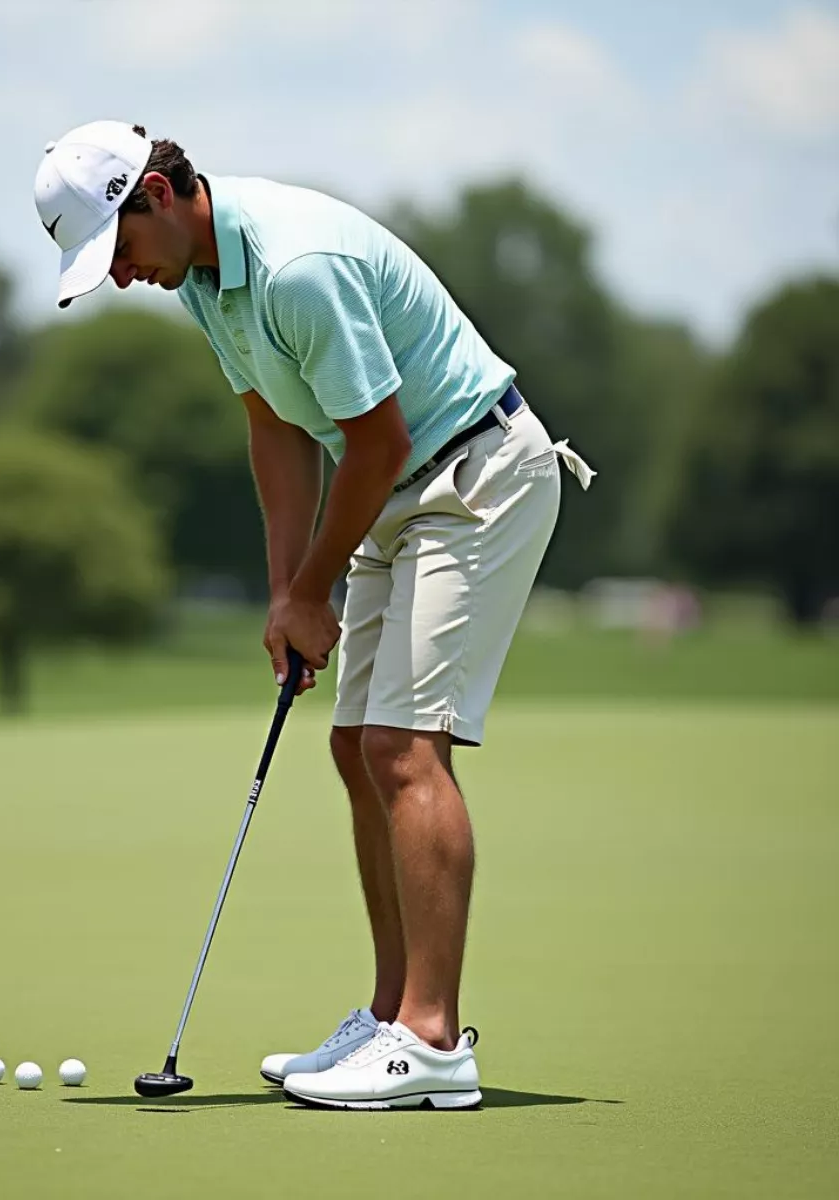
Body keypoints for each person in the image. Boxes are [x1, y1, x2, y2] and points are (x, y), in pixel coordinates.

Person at [34, 120, 594, 1110]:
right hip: (400, 491)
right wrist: (285, 594)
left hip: (474, 474)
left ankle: (432, 1038)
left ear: (158, 198)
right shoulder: (206, 282)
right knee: (353, 747)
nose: (120, 278)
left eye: (117, 251)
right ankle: (388, 1019)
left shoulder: (293, 267)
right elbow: (278, 432)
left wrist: (314, 591)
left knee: (403, 749)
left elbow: (374, 442)